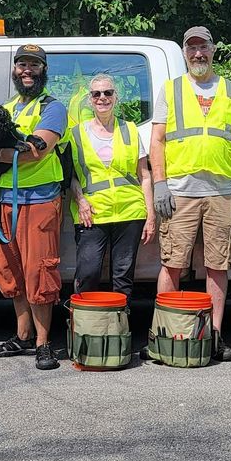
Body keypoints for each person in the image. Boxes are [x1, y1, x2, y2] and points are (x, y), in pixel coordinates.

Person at [151, 27, 231, 362]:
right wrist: (160, 184)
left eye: (203, 47)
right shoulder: (172, 89)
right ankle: (164, 335)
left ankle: (214, 337)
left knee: (217, 265)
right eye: (192, 48)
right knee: (172, 264)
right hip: (180, 191)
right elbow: (158, 140)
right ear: (184, 52)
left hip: (222, 192)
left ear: (213, 50)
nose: (198, 54)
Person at [0, 44, 69, 371]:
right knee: (11, 272)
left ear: (43, 70)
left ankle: (45, 343)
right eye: (22, 64)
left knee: (39, 272)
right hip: (4, 202)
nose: (27, 70)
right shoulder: (6, 109)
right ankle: (22, 335)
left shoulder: (54, 108)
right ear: (15, 70)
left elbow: (36, 151)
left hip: (40, 201)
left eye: (34, 64)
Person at [69, 74, 155, 298]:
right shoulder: (75, 133)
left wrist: (150, 216)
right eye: (96, 94)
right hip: (93, 212)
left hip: (130, 210)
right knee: (88, 272)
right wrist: (80, 200)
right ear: (90, 99)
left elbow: (144, 175)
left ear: (116, 97)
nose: (102, 98)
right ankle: (85, 328)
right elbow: (71, 176)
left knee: (123, 276)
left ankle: (119, 326)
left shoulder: (130, 129)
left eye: (108, 93)